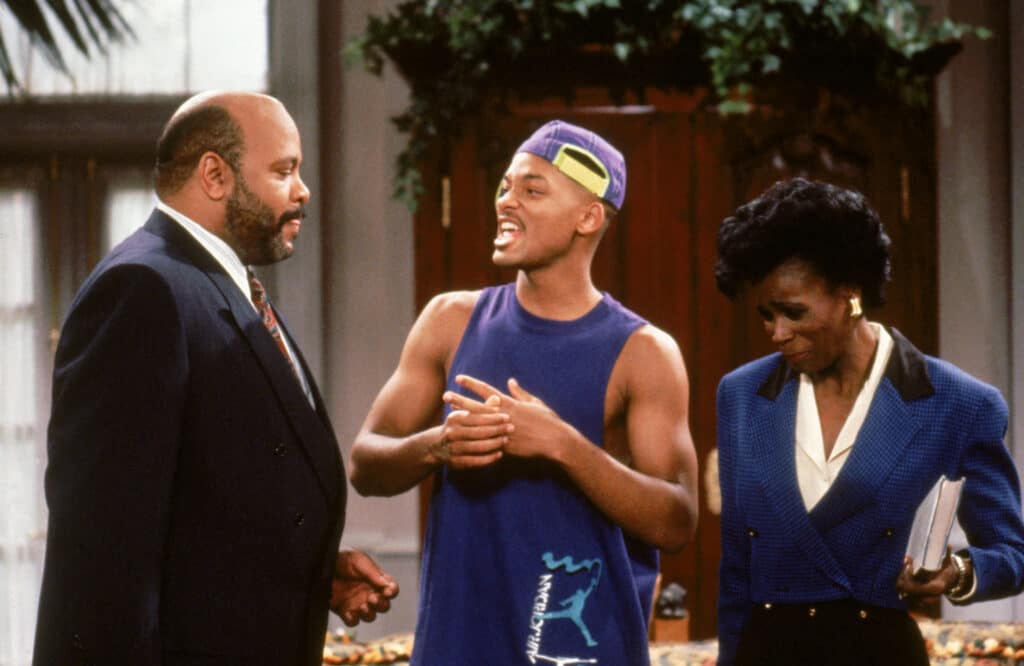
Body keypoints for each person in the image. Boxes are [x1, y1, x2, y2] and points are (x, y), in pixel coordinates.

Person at [33, 91, 398, 666]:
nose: (303, 191)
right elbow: (105, 552)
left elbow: (212, 495)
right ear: (214, 175)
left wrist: (308, 571)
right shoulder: (143, 288)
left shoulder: (215, 282)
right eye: (284, 171)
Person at [349, 120, 699, 665]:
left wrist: (564, 445)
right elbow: (364, 465)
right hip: (457, 645)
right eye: (505, 186)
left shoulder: (645, 353)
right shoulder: (449, 320)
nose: (506, 202)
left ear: (588, 217)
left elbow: (677, 520)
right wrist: (437, 446)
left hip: (576, 648)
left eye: (533, 190)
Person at [713, 177, 1024, 665]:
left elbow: (1012, 553)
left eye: (793, 312)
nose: (777, 333)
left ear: (851, 294)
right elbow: (735, 573)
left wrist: (956, 573)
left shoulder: (956, 403)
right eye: (766, 315)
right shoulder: (742, 395)